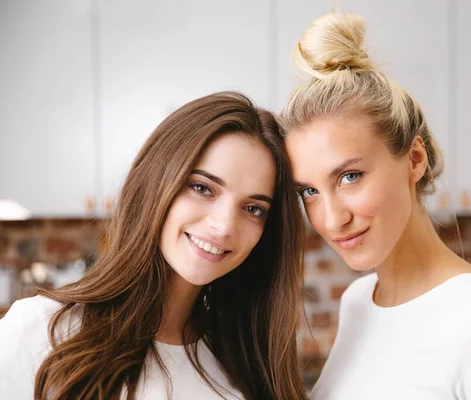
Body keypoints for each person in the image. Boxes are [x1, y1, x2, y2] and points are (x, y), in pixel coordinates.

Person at [279, 11, 471, 400]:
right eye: (309, 191)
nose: (331, 219)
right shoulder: (358, 303)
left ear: (414, 159)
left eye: (349, 177)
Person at [0, 92, 307, 400]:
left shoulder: (250, 363)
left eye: (253, 208)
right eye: (202, 188)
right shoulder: (39, 332)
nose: (224, 226)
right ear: (156, 182)